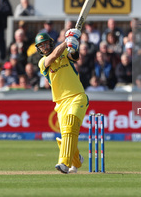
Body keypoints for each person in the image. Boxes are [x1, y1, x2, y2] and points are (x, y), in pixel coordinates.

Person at [35, 28, 88, 174]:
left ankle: (63, 163)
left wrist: (73, 45)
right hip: (61, 103)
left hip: (77, 96)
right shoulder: (42, 62)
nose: (44, 47)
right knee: (66, 133)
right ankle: (77, 160)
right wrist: (66, 41)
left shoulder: (64, 52)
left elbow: (75, 57)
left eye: (46, 44)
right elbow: (52, 58)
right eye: (41, 46)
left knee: (71, 124)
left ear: (51, 44)